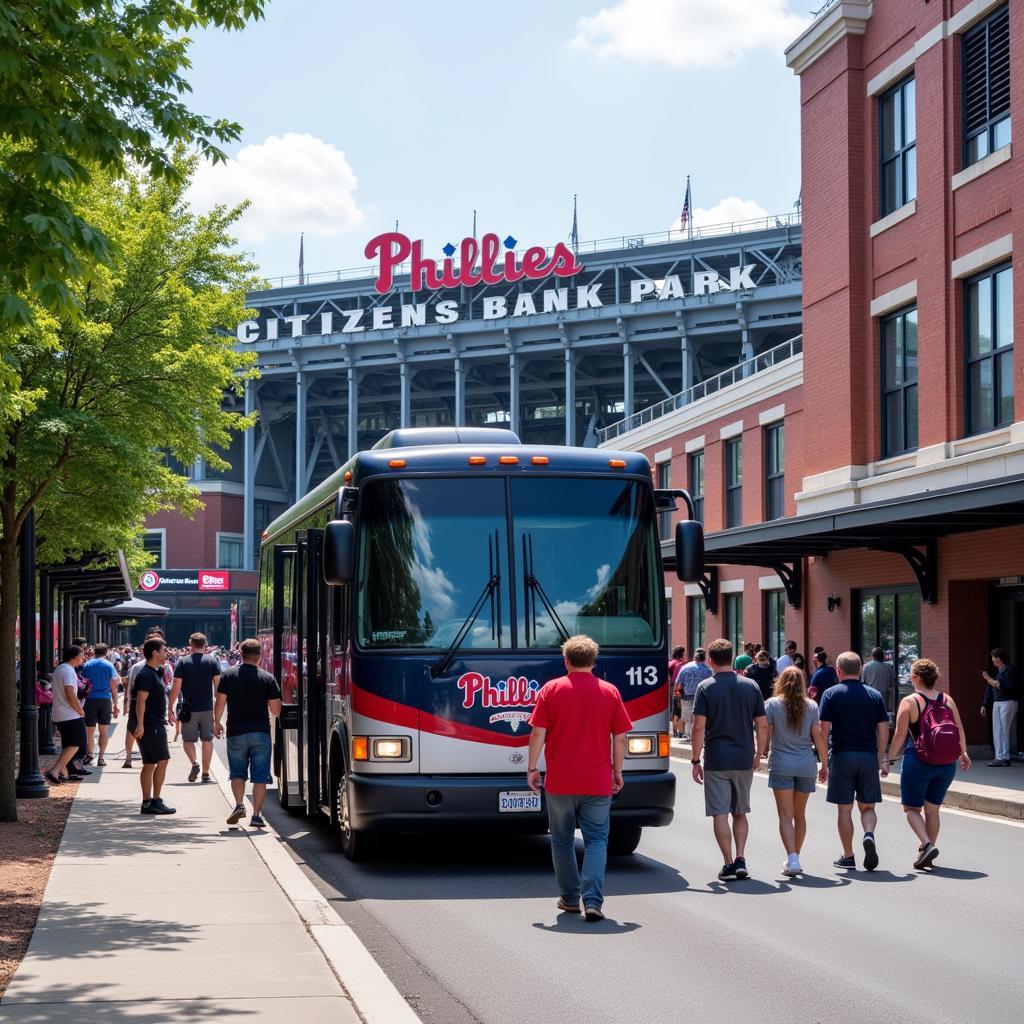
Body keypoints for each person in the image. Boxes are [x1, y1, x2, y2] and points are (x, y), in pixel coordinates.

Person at [526, 634, 632, 921]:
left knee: (561, 840)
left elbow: (538, 733)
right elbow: (620, 737)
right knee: (597, 840)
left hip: (560, 782)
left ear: (566, 661)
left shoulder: (551, 689)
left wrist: (532, 767)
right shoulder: (609, 692)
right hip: (598, 782)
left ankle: (570, 897)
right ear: (593, 662)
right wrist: (618, 772)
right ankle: (593, 900)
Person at [690, 638, 768, 881]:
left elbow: (698, 728)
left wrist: (695, 760)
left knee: (720, 813)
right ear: (732, 658)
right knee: (740, 811)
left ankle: (728, 863)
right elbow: (763, 725)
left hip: (717, 758)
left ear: (711, 660)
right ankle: (742, 857)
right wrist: (759, 754)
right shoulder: (751, 685)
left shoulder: (706, 687)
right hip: (744, 756)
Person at [886, 659, 971, 869]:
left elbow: (899, 734)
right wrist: (964, 753)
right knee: (932, 809)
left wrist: (888, 758)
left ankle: (926, 845)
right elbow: (959, 728)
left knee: (911, 809)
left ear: (916, 678)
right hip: (946, 764)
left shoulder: (910, 701)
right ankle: (927, 850)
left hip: (919, 761)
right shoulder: (947, 699)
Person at [818, 652, 889, 870]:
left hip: (842, 755)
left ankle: (848, 856)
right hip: (868, 756)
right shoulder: (874, 695)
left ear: (838, 670)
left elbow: (824, 729)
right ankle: (868, 833)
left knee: (845, 810)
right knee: (867, 806)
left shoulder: (830, 694)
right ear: (860, 669)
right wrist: (881, 757)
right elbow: (883, 729)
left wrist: (823, 762)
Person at [765, 667, 828, 876]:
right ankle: (795, 858)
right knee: (800, 815)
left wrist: (759, 753)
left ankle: (791, 857)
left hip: (782, 764)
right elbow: (818, 736)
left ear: (781, 682)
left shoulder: (772, 704)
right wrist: (825, 765)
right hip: (805, 765)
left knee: (785, 815)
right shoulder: (811, 705)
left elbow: (766, 731)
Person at [214, 637, 282, 828]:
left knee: (237, 772)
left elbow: (220, 702)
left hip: (236, 731)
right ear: (259, 656)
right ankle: (257, 815)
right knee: (260, 776)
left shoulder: (228, 675)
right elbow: (276, 710)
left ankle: (239, 805)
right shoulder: (268, 678)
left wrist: (217, 722)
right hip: (260, 732)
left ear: (241, 654)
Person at [129, 636, 175, 815]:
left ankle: (147, 802)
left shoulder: (154, 671)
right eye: (164, 650)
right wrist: (140, 724)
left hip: (150, 723)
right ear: (155, 653)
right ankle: (155, 800)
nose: (167, 653)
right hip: (150, 724)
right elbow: (141, 700)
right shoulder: (147, 674)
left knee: (149, 763)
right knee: (162, 760)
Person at [169, 632, 221, 783]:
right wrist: (218, 711)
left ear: (190, 644)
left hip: (189, 708)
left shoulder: (183, 662)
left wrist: (170, 707)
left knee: (188, 740)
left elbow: (176, 686)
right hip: (207, 707)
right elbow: (219, 686)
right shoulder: (212, 661)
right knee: (207, 740)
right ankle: (206, 773)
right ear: (205, 644)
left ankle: (194, 763)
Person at [45, 645, 91, 785]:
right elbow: (70, 693)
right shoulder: (68, 671)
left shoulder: (60, 669)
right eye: (81, 655)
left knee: (68, 745)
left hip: (61, 713)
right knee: (76, 743)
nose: (83, 657)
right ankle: (55, 771)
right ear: (74, 657)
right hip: (69, 714)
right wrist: (80, 710)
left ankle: (62, 772)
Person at [80, 642, 120, 766]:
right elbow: (113, 686)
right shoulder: (109, 666)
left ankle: (90, 754)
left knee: (89, 731)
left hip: (90, 700)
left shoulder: (87, 665)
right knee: (104, 730)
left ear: (94, 652)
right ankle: (101, 757)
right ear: (107, 652)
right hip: (104, 699)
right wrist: (115, 703)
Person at [981, 648, 1018, 766]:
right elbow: (989, 689)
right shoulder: (998, 671)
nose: (992, 660)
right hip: (997, 702)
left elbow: (1004, 687)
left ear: (999, 659)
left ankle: (1003, 757)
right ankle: (999, 756)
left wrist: (988, 678)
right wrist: (984, 704)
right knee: (997, 729)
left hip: (1008, 701)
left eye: (994, 657)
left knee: (1003, 729)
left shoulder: (1009, 670)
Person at [676, 648, 712, 741]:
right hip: (702, 694)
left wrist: (676, 691)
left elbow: (677, 681)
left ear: (694, 657)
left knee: (688, 717)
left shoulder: (685, 667)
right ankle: (698, 735)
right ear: (704, 658)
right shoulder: (708, 670)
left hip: (687, 694)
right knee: (700, 716)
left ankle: (688, 735)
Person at [862, 647, 897, 714]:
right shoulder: (889, 668)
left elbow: (862, 684)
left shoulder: (866, 667)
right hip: (884, 702)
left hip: (870, 701)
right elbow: (892, 685)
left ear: (872, 656)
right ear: (883, 656)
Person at [668, 645, 686, 738]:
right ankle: (680, 732)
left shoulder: (670, 663)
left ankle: (674, 732)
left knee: (674, 710)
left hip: (671, 687)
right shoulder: (680, 664)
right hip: (679, 687)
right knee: (680, 711)